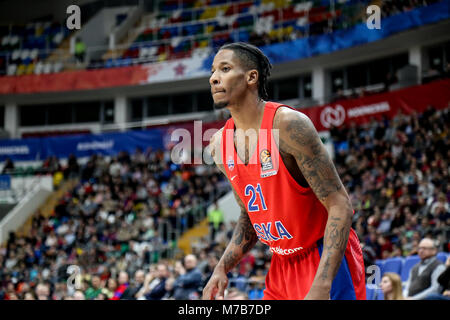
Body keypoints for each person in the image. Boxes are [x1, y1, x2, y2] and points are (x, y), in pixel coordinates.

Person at [203, 42, 365, 300]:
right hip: (280, 265)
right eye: (213, 71)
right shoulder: (218, 145)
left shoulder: (288, 125)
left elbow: (340, 204)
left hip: (323, 256)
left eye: (224, 69)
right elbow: (250, 215)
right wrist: (222, 267)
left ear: (251, 77)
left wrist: (323, 283)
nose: (213, 78)